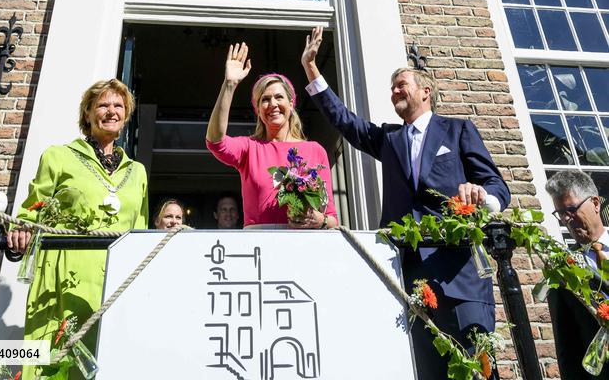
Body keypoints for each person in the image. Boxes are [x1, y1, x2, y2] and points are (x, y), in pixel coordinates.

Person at [301, 26, 510, 380]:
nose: (395, 90)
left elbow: (496, 186)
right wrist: (312, 70)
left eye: (402, 84)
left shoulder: (458, 130)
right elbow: (345, 122)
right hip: (408, 278)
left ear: (426, 91)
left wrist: (482, 198)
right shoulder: (389, 139)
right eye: (392, 87)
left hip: (460, 279)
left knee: (475, 372)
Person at [5, 79, 149, 378]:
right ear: (87, 114)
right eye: (103, 105)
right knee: (55, 361)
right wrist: (22, 230)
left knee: (109, 360)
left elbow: (140, 231)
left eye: (119, 105)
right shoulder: (58, 156)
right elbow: (32, 210)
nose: (111, 111)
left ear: (127, 115)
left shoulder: (137, 172)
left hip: (114, 280)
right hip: (63, 276)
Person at [206, 41, 338, 228]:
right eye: (265, 100)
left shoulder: (315, 150)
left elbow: (331, 218)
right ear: (258, 110)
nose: (273, 104)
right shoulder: (250, 148)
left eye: (279, 97)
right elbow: (215, 141)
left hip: (304, 244)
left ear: (291, 104)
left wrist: (319, 220)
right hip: (259, 246)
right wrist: (229, 85)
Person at [545, 169, 609, 380]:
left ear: (596, 203)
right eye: (560, 213)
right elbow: (567, 345)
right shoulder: (562, 271)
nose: (566, 218)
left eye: (571, 209)